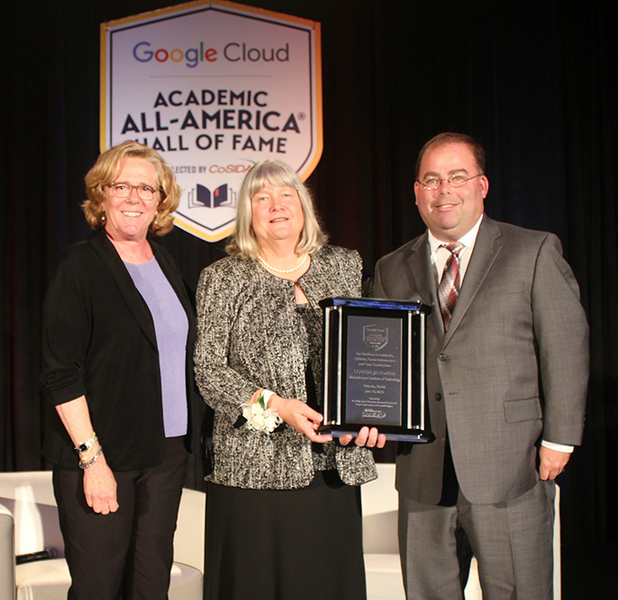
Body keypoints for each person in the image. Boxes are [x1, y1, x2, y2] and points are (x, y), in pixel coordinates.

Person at [374, 133, 589, 600]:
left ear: (482, 184)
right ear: (416, 192)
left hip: (512, 462)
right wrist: (368, 416)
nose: (443, 190)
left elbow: (566, 347)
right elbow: (380, 363)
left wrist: (560, 438)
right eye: (431, 180)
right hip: (424, 469)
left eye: (456, 177)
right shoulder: (391, 267)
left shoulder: (532, 250)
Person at [194, 158, 386, 600]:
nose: (276, 206)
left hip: (333, 467)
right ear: (247, 213)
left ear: (304, 206)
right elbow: (208, 371)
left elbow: (371, 356)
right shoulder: (223, 278)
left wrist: (376, 414)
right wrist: (277, 408)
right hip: (252, 470)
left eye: (286, 195)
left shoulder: (345, 266)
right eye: (262, 198)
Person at [40, 141, 198, 599]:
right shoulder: (80, 266)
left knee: (151, 589)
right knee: (99, 589)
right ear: (101, 195)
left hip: (166, 454)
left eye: (146, 188)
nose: (134, 197)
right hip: (103, 455)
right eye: (122, 186)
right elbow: (60, 371)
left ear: (160, 200)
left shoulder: (167, 264)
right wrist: (92, 459)